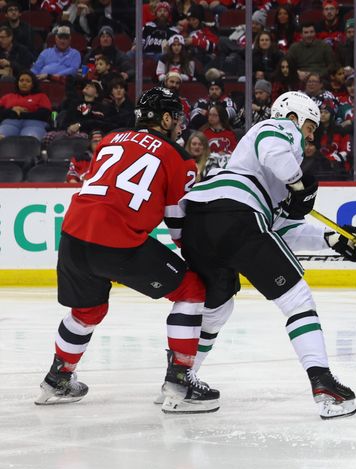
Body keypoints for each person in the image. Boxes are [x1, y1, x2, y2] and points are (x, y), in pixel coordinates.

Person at [179, 91, 356, 419]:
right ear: (294, 116)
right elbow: (273, 147)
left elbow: (280, 229)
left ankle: (179, 382)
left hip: (200, 221)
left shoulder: (262, 174)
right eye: (310, 126)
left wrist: (334, 240)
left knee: (217, 308)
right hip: (236, 214)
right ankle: (324, 384)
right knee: (297, 300)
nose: (311, 136)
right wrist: (298, 184)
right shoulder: (278, 129)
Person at [35, 86, 219, 414]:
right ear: (164, 118)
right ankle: (179, 382)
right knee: (192, 291)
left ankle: (57, 379)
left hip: (73, 235)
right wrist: (199, 258)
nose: (179, 125)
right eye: (175, 117)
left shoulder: (111, 139)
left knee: (87, 311)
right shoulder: (179, 159)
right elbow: (177, 226)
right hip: (118, 241)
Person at [0, 71, 52, 141]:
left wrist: (22, 113)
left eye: (28, 81)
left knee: (29, 140)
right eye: (21, 81)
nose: (24, 83)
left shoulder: (41, 96)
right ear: (17, 83)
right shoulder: (8, 97)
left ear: (33, 84)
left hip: (34, 124)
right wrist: (12, 110)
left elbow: (44, 114)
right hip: (9, 123)